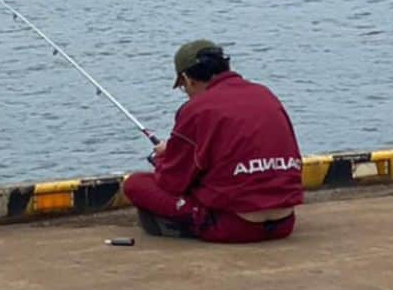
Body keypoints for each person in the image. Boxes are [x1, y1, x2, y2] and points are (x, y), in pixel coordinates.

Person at [122, 39, 303, 243]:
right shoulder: (265, 94)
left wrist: (165, 159)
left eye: (183, 87)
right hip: (284, 223)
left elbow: (172, 182)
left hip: (234, 226)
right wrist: (175, 151)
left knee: (136, 184)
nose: (187, 94)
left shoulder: (196, 109)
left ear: (187, 79)